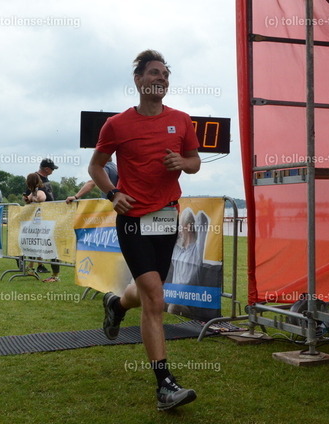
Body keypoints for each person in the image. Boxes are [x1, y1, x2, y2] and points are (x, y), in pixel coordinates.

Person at [88, 50, 201, 411]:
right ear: (138, 80)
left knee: (150, 290)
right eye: (154, 73)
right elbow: (96, 166)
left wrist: (182, 162)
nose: (161, 79)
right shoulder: (117, 124)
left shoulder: (181, 120)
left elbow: (195, 162)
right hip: (134, 219)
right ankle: (165, 386)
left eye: (165, 74)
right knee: (155, 298)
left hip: (167, 217)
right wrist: (112, 193)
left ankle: (116, 304)